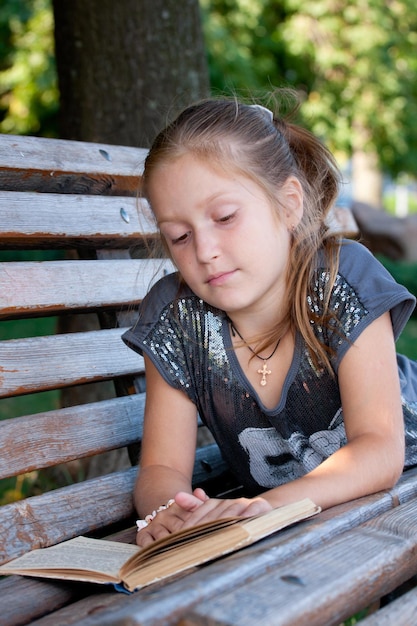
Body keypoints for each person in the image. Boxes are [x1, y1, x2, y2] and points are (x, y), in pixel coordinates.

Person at [122, 93, 417, 547]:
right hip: (300, 514)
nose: (204, 251)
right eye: (179, 237)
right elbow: (162, 468)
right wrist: (172, 514)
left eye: (225, 217)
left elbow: (379, 450)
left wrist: (269, 507)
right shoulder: (176, 320)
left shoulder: (342, 280)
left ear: (288, 205)